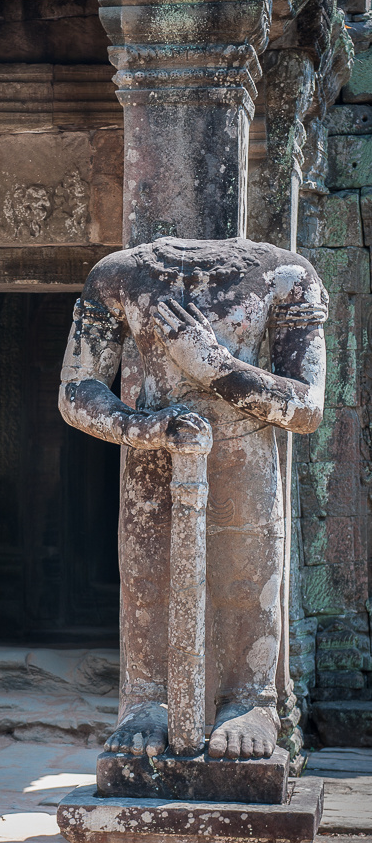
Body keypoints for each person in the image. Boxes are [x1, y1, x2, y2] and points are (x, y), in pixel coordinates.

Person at [59, 236, 327, 760]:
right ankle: (147, 700)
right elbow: (75, 390)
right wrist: (142, 427)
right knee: (148, 581)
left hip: (244, 461)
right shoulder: (120, 274)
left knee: (246, 581)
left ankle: (249, 700)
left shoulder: (286, 274)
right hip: (154, 461)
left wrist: (212, 366)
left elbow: (306, 407)